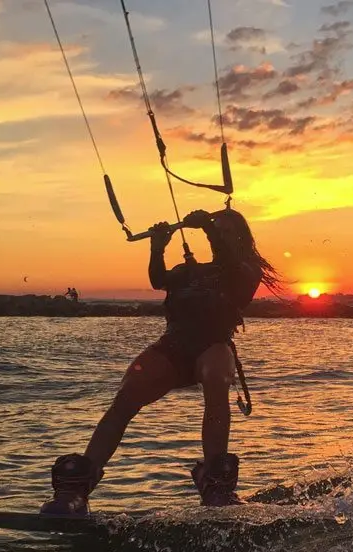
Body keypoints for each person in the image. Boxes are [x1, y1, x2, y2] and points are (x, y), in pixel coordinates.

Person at [40, 207, 282, 516]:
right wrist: (158, 246)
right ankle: (76, 492)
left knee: (218, 379)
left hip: (213, 347)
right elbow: (158, 279)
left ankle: (216, 486)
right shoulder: (189, 271)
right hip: (174, 347)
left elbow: (233, 266)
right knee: (126, 398)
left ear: (238, 237)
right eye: (215, 231)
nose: (217, 236)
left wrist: (208, 227)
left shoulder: (246, 271)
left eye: (223, 231)